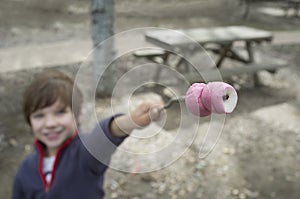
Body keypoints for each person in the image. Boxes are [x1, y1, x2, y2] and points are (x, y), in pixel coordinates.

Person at [11, 70, 163, 199]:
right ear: (29, 120)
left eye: (60, 112)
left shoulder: (85, 154)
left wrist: (130, 121)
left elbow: (104, 136)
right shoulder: (26, 169)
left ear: (79, 113)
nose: (50, 123)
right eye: (39, 116)